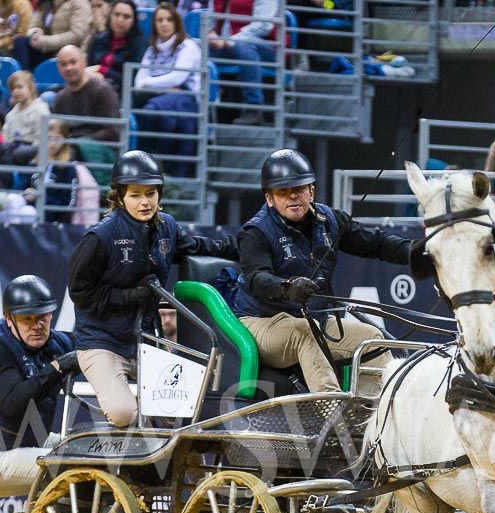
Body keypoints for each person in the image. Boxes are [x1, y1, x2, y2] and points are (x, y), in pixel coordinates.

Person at [68, 150, 235, 428]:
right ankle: (102, 445)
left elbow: (196, 246)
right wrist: (129, 296)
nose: (145, 202)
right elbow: (81, 293)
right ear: (119, 197)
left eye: (151, 193)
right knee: (124, 413)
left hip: (147, 340)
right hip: (101, 342)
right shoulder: (100, 237)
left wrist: (239, 247)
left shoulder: (166, 226)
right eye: (135, 195)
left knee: (181, 410)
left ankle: (167, 455)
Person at [233, 148, 413, 395]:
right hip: (262, 322)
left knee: (371, 339)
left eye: (299, 189)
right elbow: (257, 279)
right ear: (269, 198)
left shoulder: (328, 221)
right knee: (305, 333)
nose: (293, 196)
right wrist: (287, 287)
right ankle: (332, 411)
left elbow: (376, 243)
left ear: (312, 191)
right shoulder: (256, 232)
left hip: (312, 319)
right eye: (283, 191)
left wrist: (418, 252)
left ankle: (372, 412)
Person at [0, 276, 77, 498]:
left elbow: (97, 350)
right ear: (9, 319)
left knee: (90, 450)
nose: (36, 326)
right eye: (27, 319)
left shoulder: (56, 343)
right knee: (73, 468)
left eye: (42, 317)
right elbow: (12, 403)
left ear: (51, 315)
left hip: (28, 443)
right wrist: (57, 367)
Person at [133, 2, 201, 178]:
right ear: (154, 25)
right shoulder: (151, 50)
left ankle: (159, 163)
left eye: (169, 19)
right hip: (159, 97)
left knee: (152, 111)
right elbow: (138, 81)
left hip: (186, 98)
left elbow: (178, 77)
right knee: (146, 110)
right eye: (159, 20)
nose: (164, 24)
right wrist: (164, 86)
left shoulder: (188, 46)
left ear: (176, 22)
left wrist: (150, 82)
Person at [32, 119, 101, 225]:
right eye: (49, 138)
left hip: (55, 222)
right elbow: (20, 189)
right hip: (31, 212)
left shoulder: (68, 167)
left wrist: (39, 197)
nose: (52, 143)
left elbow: (67, 203)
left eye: (57, 138)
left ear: (65, 140)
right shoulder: (33, 163)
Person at [53, 44, 121, 141]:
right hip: (70, 146)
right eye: (63, 64)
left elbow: (113, 131)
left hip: (98, 147)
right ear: (58, 68)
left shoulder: (103, 91)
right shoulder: (60, 97)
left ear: (84, 62)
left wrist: (81, 142)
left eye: (73, 62)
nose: (69, 68)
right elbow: (58, 131)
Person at [86, 0, 145, 93]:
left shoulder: (139, 44)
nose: (120, 20)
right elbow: (89, 67)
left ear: (133, 21)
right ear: (110, 16)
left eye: (126, 17)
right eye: (116, 14)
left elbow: (131, 80)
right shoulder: (98, 39)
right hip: (93, 85)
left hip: (120, 92)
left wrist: (103, 70)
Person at [26, 0, 92, 68]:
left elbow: (77, 35)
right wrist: (34, 33)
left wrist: (45, 41)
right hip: (46, 50)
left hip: (68, 52)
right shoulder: (46, 2)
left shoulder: (79, 3)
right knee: (22, 41)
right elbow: (33, 25)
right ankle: (23, 73)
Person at [3, 71, 51, 146]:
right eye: (13, 89)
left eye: (19, 87)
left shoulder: (41, 110)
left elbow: (41, 142)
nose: (16, 91)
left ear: (31, 88)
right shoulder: (10, 115)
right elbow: (5, 140)